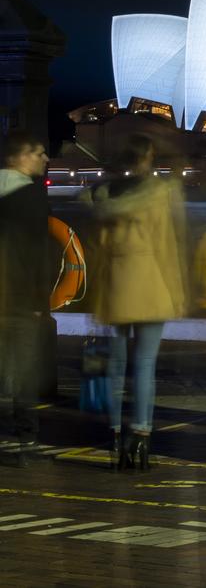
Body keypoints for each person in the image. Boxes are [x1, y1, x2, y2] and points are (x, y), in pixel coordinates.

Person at [92, 134, 187, 470]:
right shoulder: (157, 194)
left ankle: (115, 435)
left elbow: (100, 249)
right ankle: (142, 435)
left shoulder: (104, 194)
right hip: (151, 282)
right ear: (147, 157)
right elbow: (165, 246)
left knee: (116, 367)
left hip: (117, 282)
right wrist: (176, 293)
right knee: (145, 363)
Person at [0, 131, 50, 465]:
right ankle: (25, 442)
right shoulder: (32, 197)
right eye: (40, 153)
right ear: (22, 156)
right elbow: (37, 253)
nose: (45, 159)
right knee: (25, 372)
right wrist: (39, 302)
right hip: (18, 299)